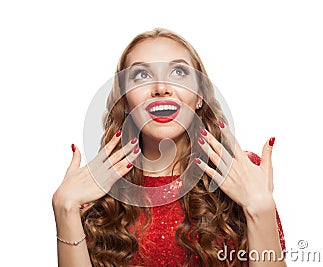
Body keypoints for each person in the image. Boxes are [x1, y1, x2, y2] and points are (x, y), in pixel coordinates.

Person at [52, 28, 286, 267]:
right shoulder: (94, 192)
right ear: (125, 101)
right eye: (142, 75)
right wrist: (65, 206)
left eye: (178, 72)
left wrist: (260, 206)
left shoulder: (243, 173)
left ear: (199, 97)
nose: (161, 87)